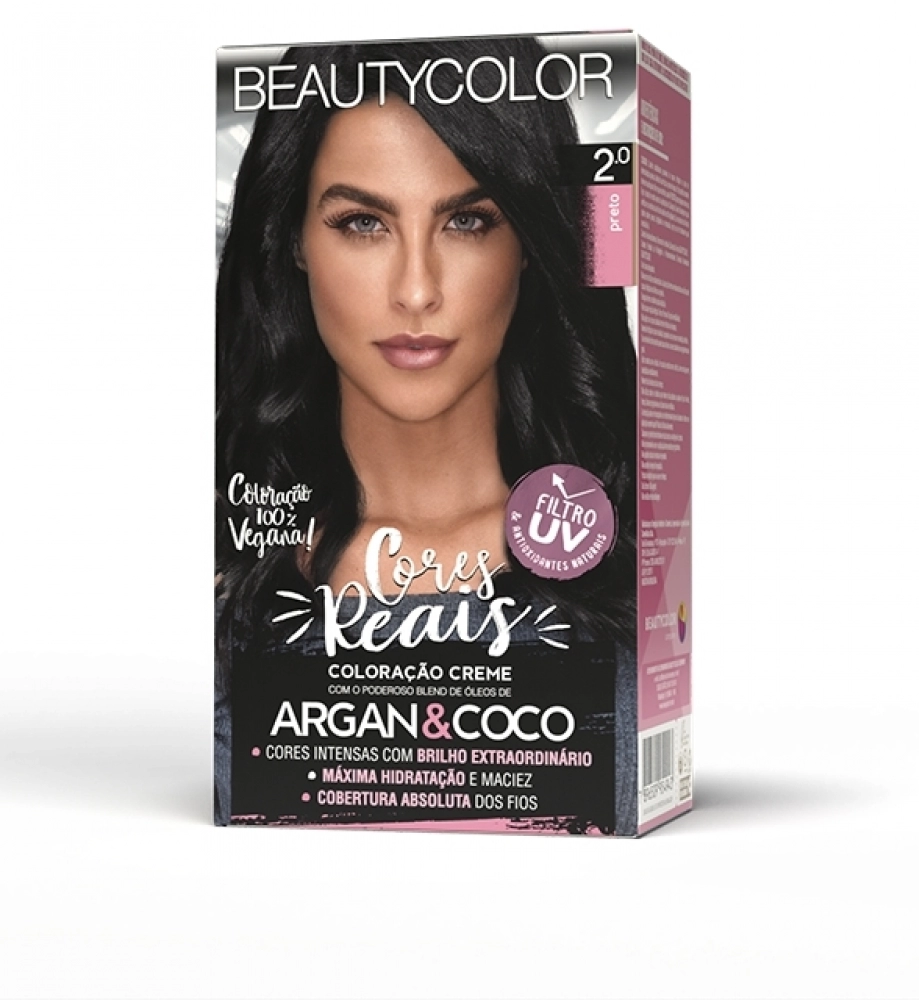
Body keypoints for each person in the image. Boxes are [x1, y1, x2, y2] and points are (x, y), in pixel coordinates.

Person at [215, 37, 637, 830]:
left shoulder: (626, 560)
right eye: (363, 223)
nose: (416, 290)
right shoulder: (225, 568)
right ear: (293, 240)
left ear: (529, 246)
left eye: (468, 221)